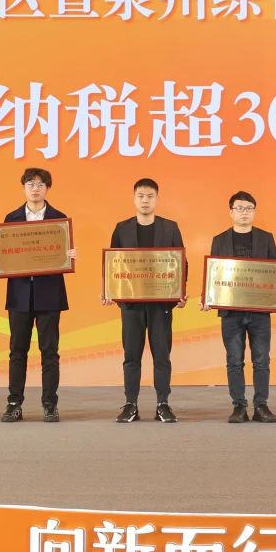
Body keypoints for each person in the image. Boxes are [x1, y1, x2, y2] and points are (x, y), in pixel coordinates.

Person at [0, 168, 77, 423]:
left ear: (48, 188)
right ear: (23, 188)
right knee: (17, 351)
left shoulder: (59, 219)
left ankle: (50, 404)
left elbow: (62, 254)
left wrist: (69, 256)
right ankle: (14, 403)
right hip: (19, 294)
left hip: (49, 293)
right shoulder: (11, 218)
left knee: (50, 351)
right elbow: (5, 252)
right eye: (30, 183)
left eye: (40, 184)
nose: (35, 188)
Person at [106, 178, 187, 423]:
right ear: (134, 199)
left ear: (157, 199)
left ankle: (163, 403)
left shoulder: (170, 228)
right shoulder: (122, 228)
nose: (145, 200)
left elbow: (181, 263)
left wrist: (180, 291)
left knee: (162, 355)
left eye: (150, 196)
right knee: (131, 355)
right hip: (131, 304)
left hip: (161, 304)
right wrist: (108, 289)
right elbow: (113, 264)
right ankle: (130, 404)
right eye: (140, 196)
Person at [203, 191, 276, 424]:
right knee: (234, 360)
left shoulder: (266, 238)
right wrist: (208, 296)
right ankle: (239, 406)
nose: (244, 212)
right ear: (231, 212)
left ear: (254, 212)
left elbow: (274, 272)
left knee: (262, 360)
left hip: (259, 312)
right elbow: (214, 274)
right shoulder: (219, 240)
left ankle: (261, 405)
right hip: (231, 313)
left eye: (248, 208)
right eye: (239, 208)